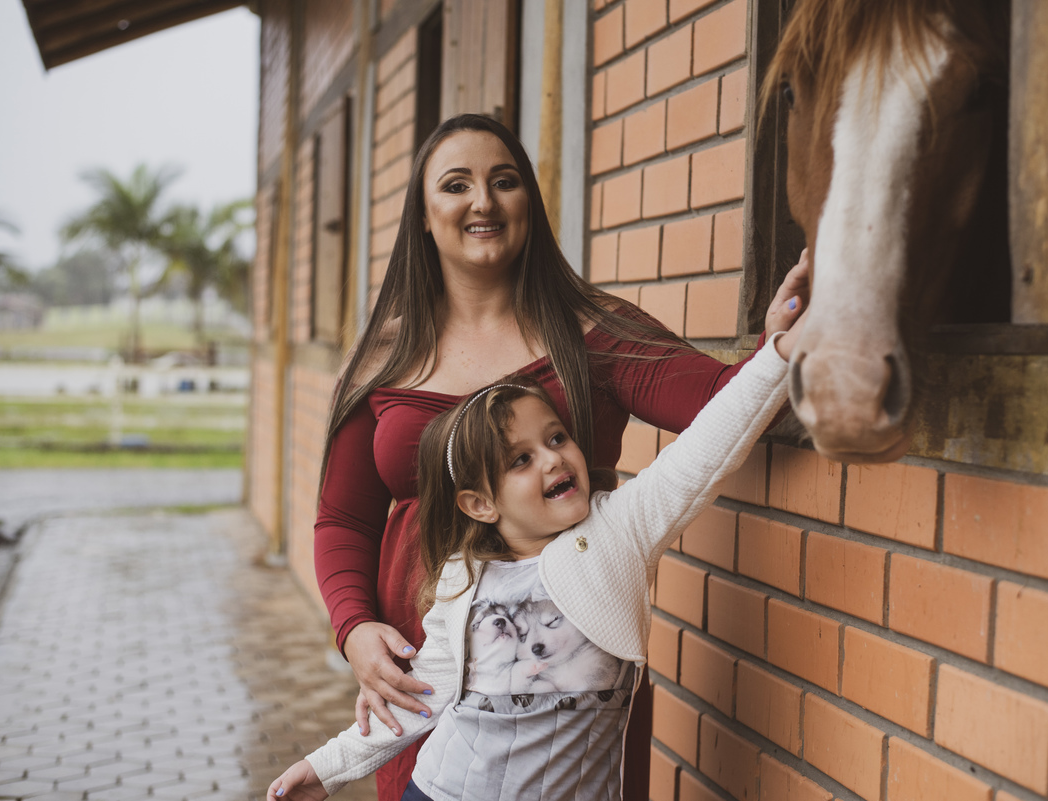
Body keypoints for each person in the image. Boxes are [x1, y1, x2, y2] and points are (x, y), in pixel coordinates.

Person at [314, 113, 809, 800]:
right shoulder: (381, 356)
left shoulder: (594, 332)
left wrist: (786, 339)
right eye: (456, 185)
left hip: (571, 686)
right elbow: (342, 519)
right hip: (423, 668)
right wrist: (355, 627)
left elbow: (722, 406)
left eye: (504, 181)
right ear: (424, 216)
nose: (483, 201)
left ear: (529, 206)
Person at [270, 311, 806, 801]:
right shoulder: (462, 581)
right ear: (480, 504)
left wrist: (780, 354)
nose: (553, 459)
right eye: (521, 459)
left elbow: (706, 448)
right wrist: (324, 770)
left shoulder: (621, 530)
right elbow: (416, 703)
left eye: (557, 437)